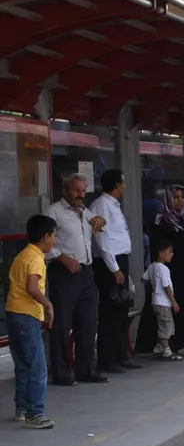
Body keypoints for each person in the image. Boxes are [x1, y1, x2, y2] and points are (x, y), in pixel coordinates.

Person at [45, 173, 109, 386]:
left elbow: (99, 224)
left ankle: (86, 370)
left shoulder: (84, 211)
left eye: (83, 191)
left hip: (86, 272)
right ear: (65, 191)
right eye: (76, 190)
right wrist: (62, 258)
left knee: (89, 323)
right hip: (64, 274)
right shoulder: (54, 211)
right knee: (62, 325)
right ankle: (61, 373)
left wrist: (101, 219)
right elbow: (43, 246)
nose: (81, 195)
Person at [135, 185, 184, 357]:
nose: (179, 201)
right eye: (175, 197)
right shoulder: (161, 219)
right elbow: (157, 245)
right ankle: (171, 343)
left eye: (182, 197)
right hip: (172, 271)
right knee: (173, 307)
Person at [7, 215, 57, 429]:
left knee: (23, 365)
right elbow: (32, 287)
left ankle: (22, 407)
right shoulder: (36, 258)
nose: (54, 240)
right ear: (46, 236)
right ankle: (35, 414)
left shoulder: (22, 255)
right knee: (37, 366)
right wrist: (48, 304)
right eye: (54, 236)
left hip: (13, 313)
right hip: (27, 316)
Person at [90, 169, 141, 374]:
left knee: (121, 310)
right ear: (117, 185)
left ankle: (121, 355)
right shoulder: (101, 205)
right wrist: (115, 269)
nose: (125, 187)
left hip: (120, 260)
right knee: (110, 311)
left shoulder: (114, 205)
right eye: (123, 183)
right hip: (109, 263)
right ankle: (107, 359)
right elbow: (102, 241)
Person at [142, 239, 182, 361]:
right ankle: (166, 350)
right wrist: (174, 301)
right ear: (161, 253)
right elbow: (166, 286)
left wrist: (154, 284)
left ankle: (159, 347)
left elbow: (143, 279)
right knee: (166, 326)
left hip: (155, 301)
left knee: (164, 324)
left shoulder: (152, 267)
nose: (172, 254)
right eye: (169, 252)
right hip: (163, 302)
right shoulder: (164, 269)